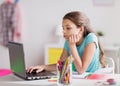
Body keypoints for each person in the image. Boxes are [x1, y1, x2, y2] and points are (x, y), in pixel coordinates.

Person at [27, 11, 106, 74]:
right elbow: (62, 65)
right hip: (79, 79)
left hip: (92, 79)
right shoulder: (68, 41)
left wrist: (72, 46)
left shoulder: (90, 38)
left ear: (81, 29)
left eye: (68, 28)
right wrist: (43, 67)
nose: (64, 31)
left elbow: (81, 70)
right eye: (63, 28)